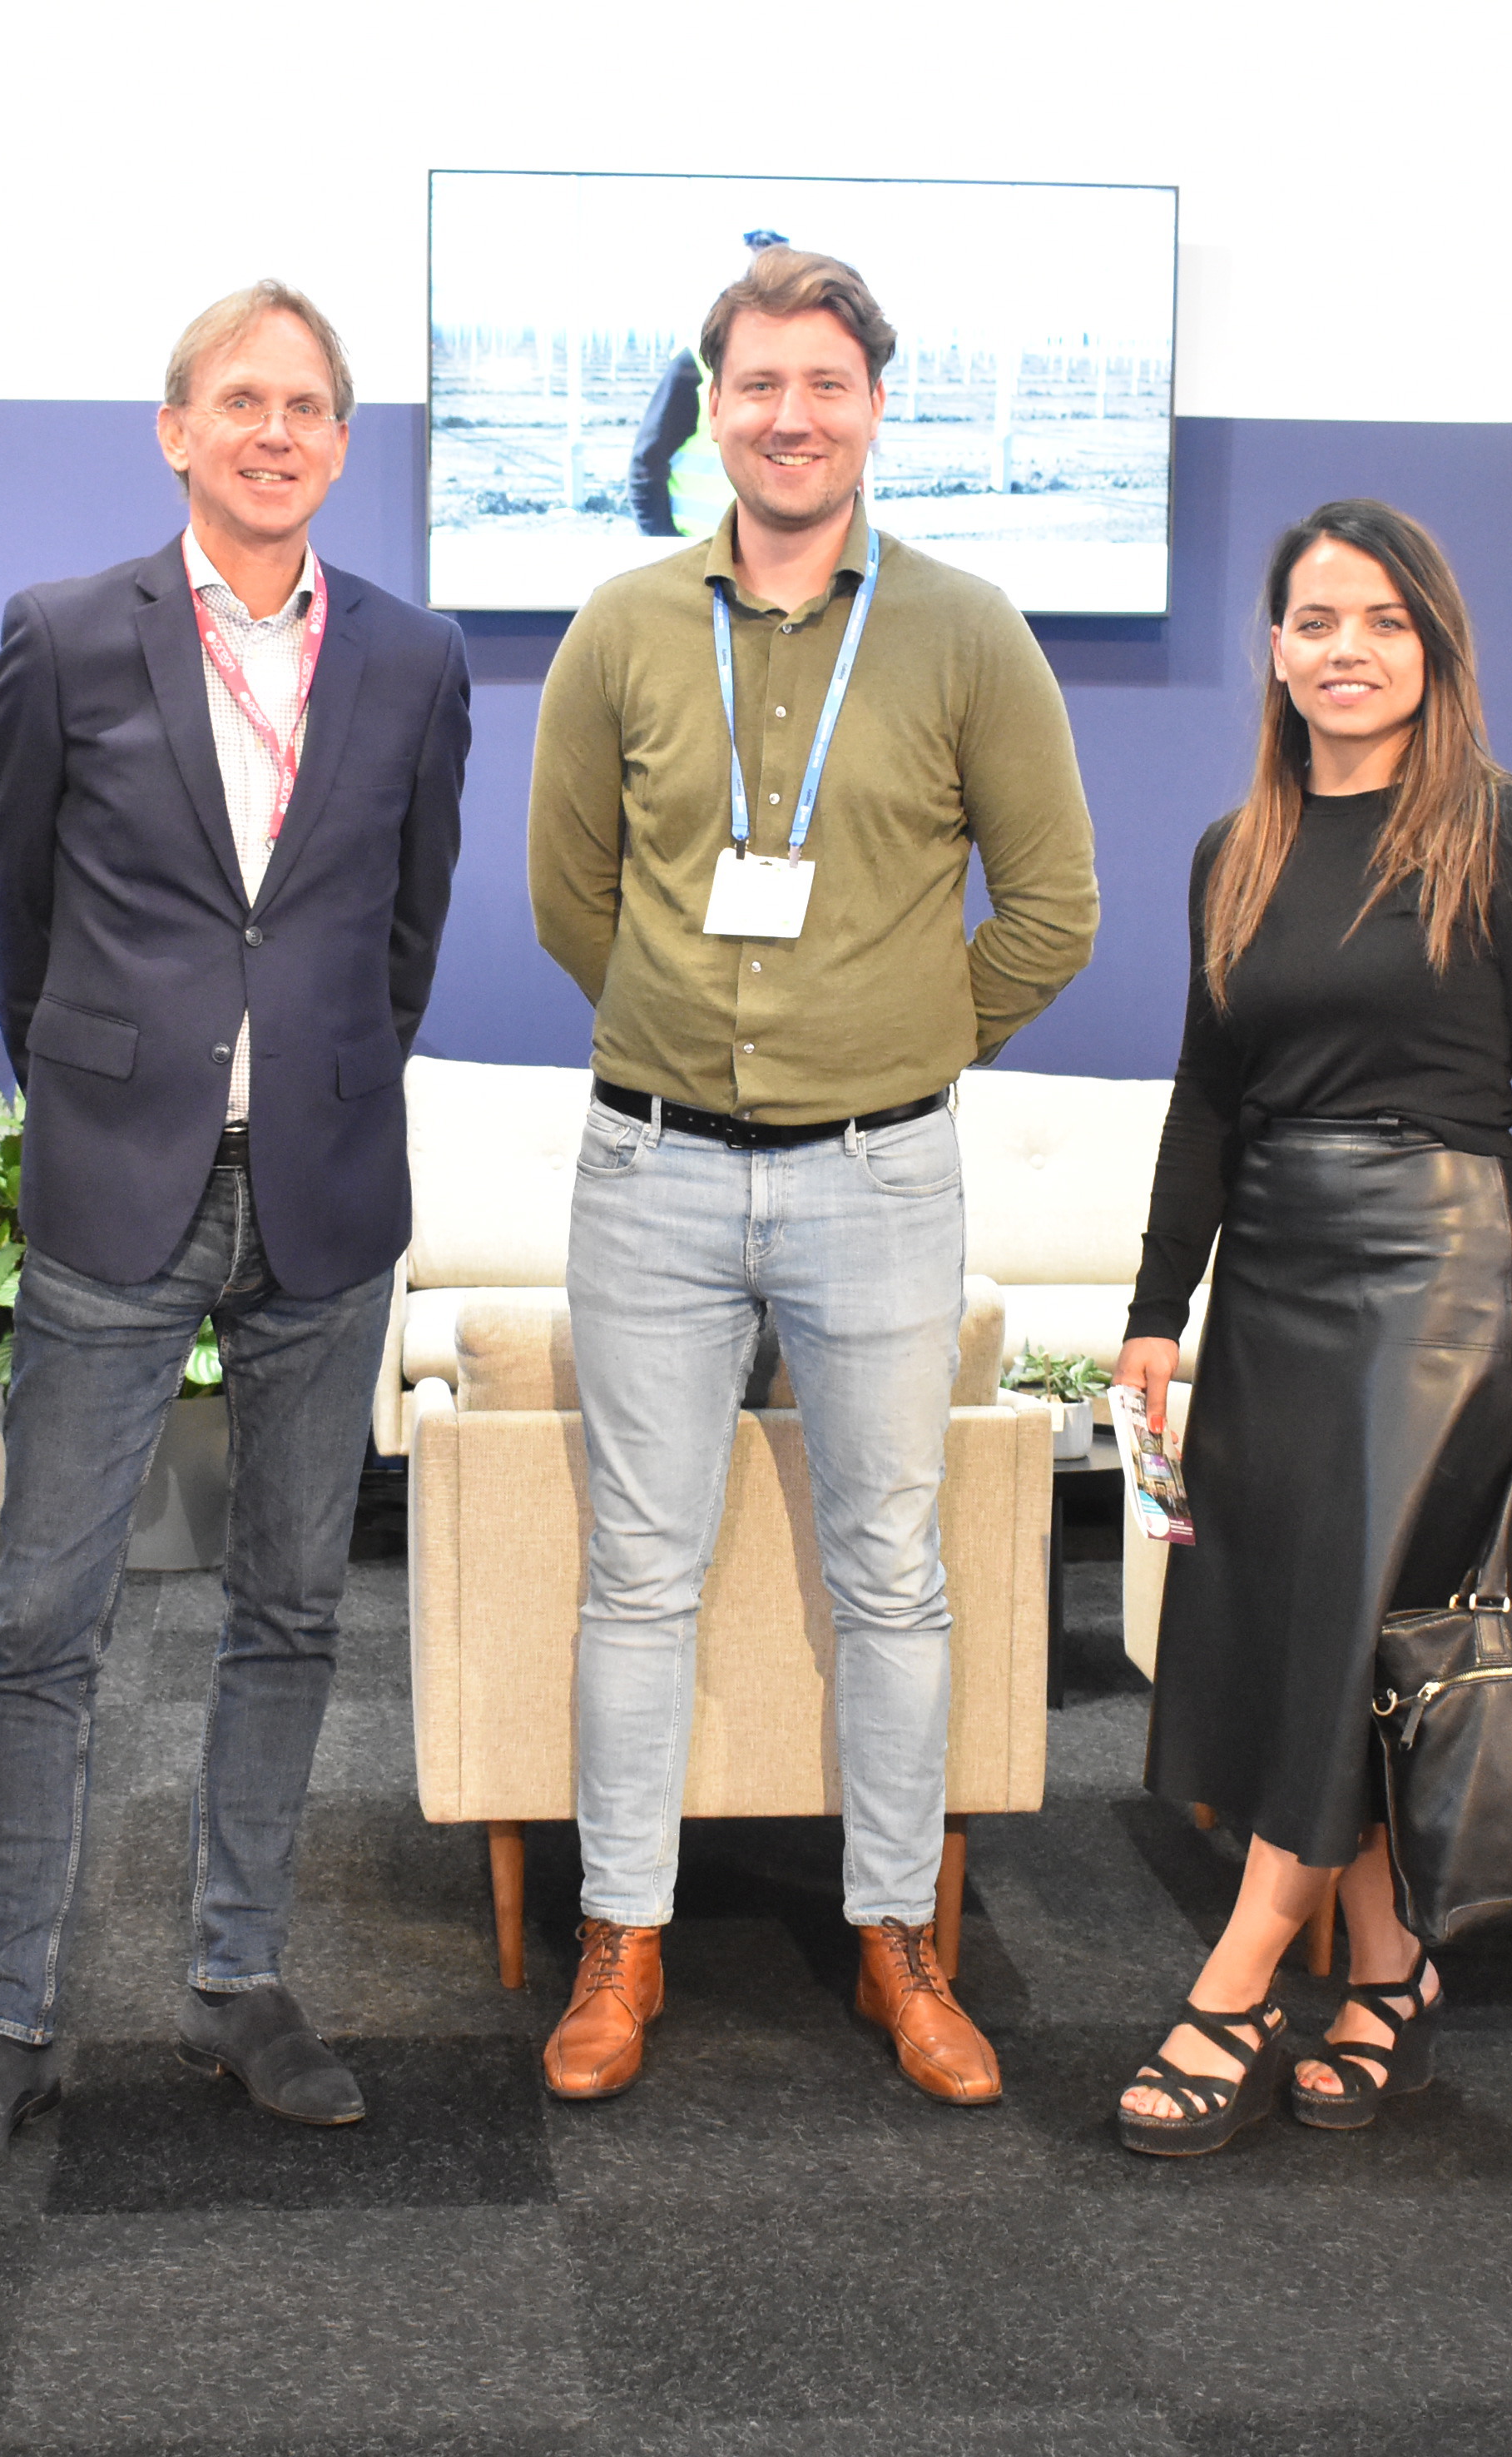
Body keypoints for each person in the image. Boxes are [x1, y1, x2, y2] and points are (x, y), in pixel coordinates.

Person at [0, 280, 470, 2188]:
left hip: (325, 1187)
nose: (273, 431)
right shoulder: (65, 634)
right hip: (118, 1178)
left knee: (293, 1607)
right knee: (43, 1624)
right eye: (241, 400)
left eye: (306, 406)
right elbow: (9, 899)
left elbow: (407, 925)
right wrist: (103, 1072)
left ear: (340, 443)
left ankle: (237, 1978)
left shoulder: (413, 658)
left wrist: (316, 1071)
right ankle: (6, 2018)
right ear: (175, 431)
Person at [529, 246, 1097, 2106]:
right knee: (638, 1574)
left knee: (891, 1578)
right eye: (756, 384)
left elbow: (1055, 911)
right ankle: (621, 1938)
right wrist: (695, 1030)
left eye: (824, 386)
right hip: (653, 1173)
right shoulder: (622, 627)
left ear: (873, 409)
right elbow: (571, 898)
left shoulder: (966, 632)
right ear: (711, 409)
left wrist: (897, 1039)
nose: (790, 417)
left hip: (881, 1179)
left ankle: (896, 1939)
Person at [1108, 499, 1512, 2156]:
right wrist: (1157, 1311)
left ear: (1433, 645)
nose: (1348, 651)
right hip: (1274, 1276)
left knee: (1342, 1631)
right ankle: (1388, 1977)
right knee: (1321, 1630)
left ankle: (1239, 1976)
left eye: (1383, 621)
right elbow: (1205, 1098)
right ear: (1274, 651)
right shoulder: (1234, 851)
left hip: (1438, 1281)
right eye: (1317, 622)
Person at [627, 226, 785, 537]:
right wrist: (668, 550)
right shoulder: (695, 366)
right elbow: (646, 467)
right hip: (700, 550)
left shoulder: (804, 371)